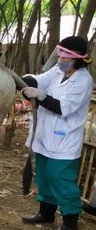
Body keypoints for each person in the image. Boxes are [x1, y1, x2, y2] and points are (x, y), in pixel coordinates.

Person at [21, 36, 93, 230]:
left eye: (65, 57)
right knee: (44, 177)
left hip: (64, 141)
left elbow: (63, 107)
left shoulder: (83, 80)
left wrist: (41, 96)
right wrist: (26, 80)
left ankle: (70, 222)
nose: (60, 60)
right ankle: (46, 214)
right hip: (44, 136)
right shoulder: (57, 70)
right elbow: (41, 79)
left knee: (61, 180)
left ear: (77, 59)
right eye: (59, 56)